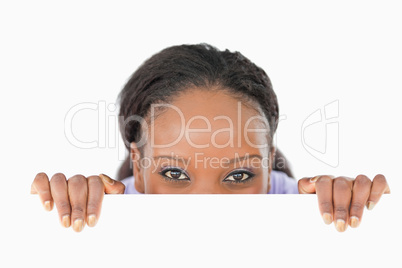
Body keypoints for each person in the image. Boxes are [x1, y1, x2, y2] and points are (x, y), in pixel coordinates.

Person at [31, 43, 390, 233]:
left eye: (239, 176)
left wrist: (361, 207)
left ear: (268, 164)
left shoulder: (306, 205)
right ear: (138, 169)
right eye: (174, 174)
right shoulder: (108, 208)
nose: (207, 206)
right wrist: (57, 211)